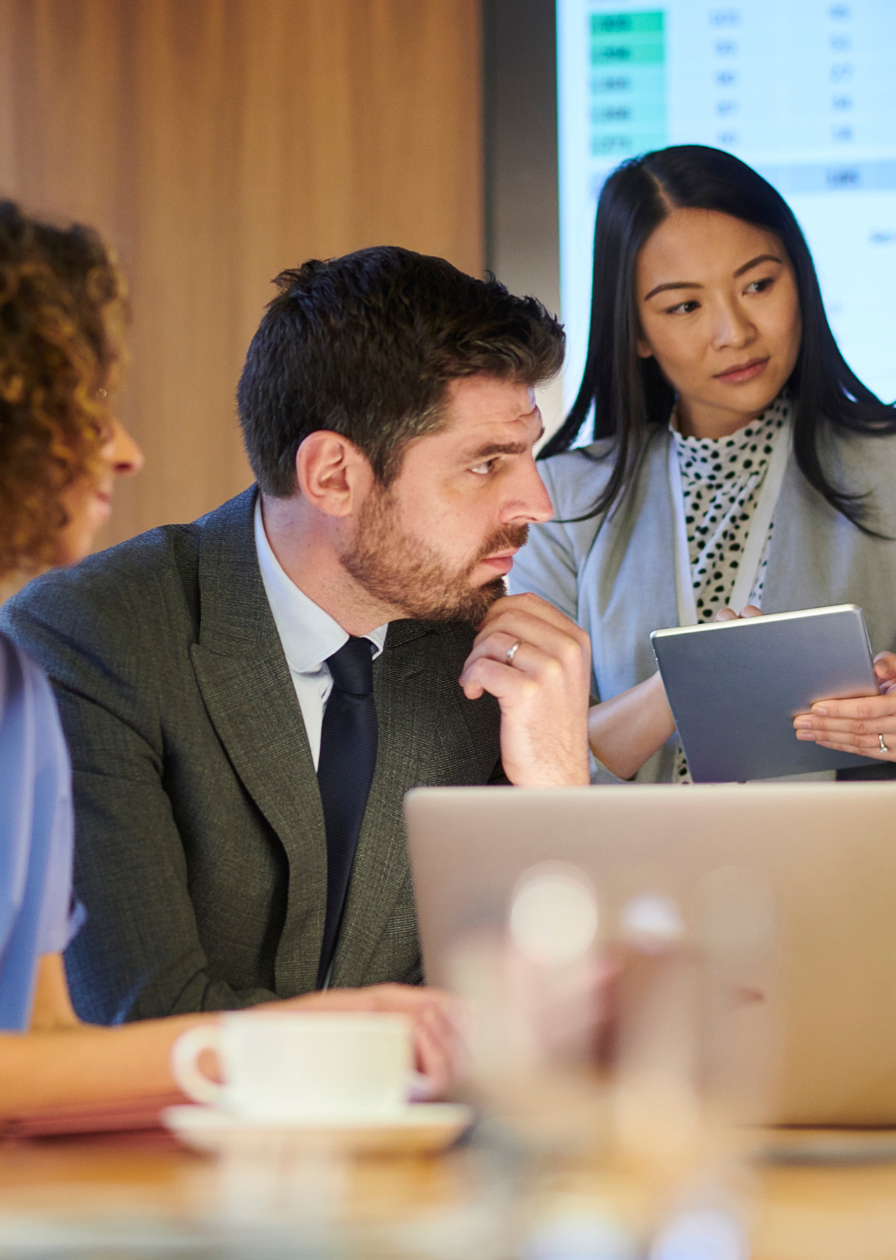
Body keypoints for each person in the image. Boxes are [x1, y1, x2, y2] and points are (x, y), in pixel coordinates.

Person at [1, 244, 593, 1023]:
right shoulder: (91, 636)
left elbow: (552, 1014)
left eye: (529, 455)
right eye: (487, 464)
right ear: (334, 477)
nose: (537, 503)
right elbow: (149, 1014)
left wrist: (559, 791)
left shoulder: (487, 655)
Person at [0, 204, 451, 1114]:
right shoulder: (76, 634)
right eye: (79, 408)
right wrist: (331, 1040)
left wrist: (341, 1034)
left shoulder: (16, 686)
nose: (123, 451)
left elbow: (43, 1047)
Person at [514, 146, 896, 784]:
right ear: (635, 330)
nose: (734, 331)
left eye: (759, 285)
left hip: (846, 870)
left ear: (801, 279)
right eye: (685, 306)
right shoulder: (562, 500)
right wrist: (684, 684)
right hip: (625, 874)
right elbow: (527, 755)